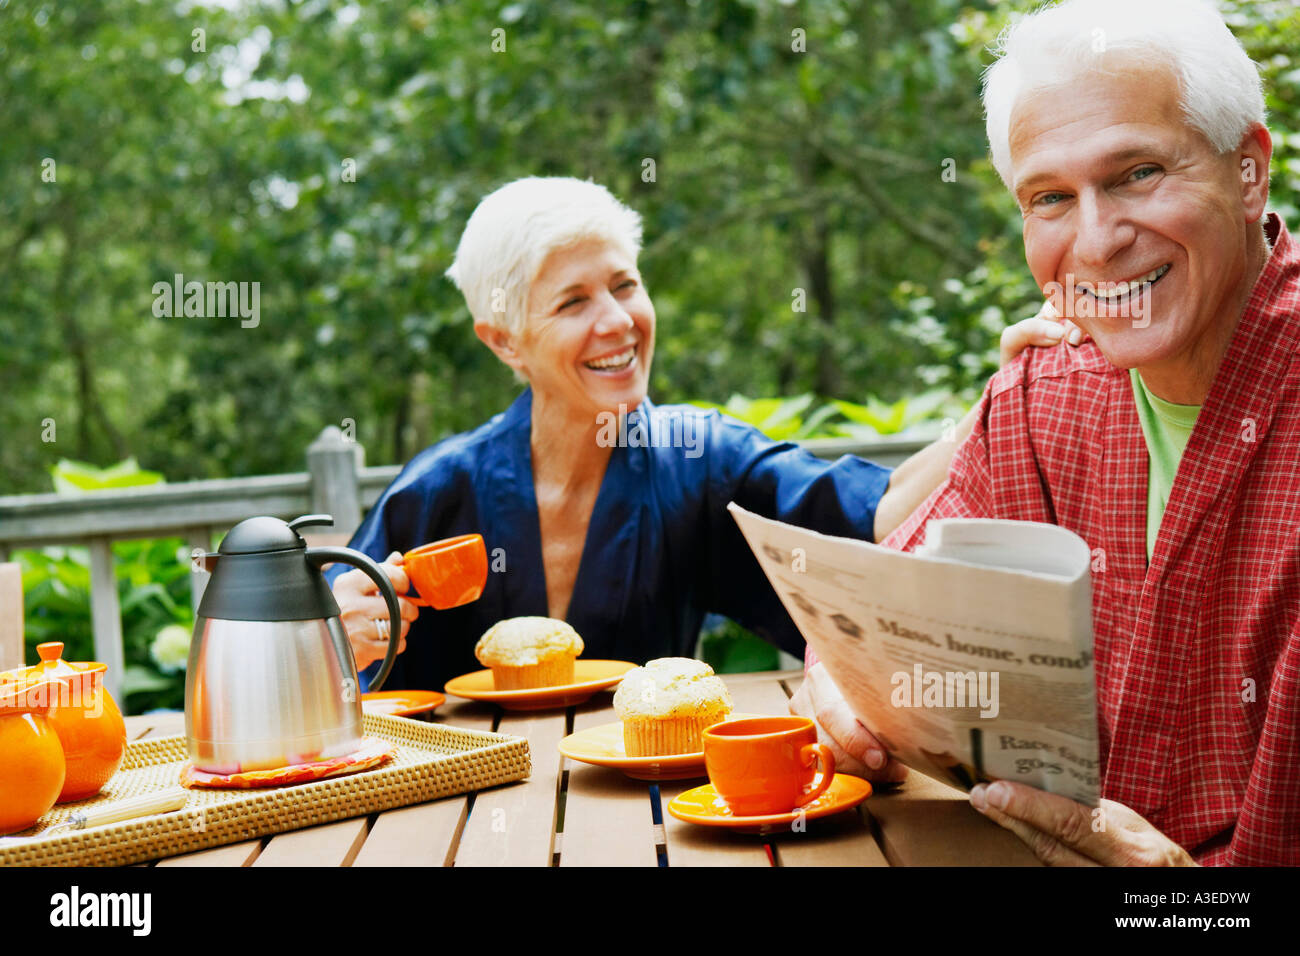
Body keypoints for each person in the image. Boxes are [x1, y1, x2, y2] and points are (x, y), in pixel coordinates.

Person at [794, 0, 1299, 866]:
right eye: (1051, 198)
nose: (1096, 242)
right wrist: (844, 686)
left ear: (1249, 169)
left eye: (1138, 173)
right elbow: (876, 615)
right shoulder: (1041, 394)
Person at [327, 177, 1072, 693]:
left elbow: (874, 517)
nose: (617, 321)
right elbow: (321, 650)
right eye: (573, 302)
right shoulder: (436, 490)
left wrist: (995, 401)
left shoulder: (699, 462)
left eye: (625, 285)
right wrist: (339, 635)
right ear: (506, 342)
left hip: (649, 821)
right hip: (457, 828)